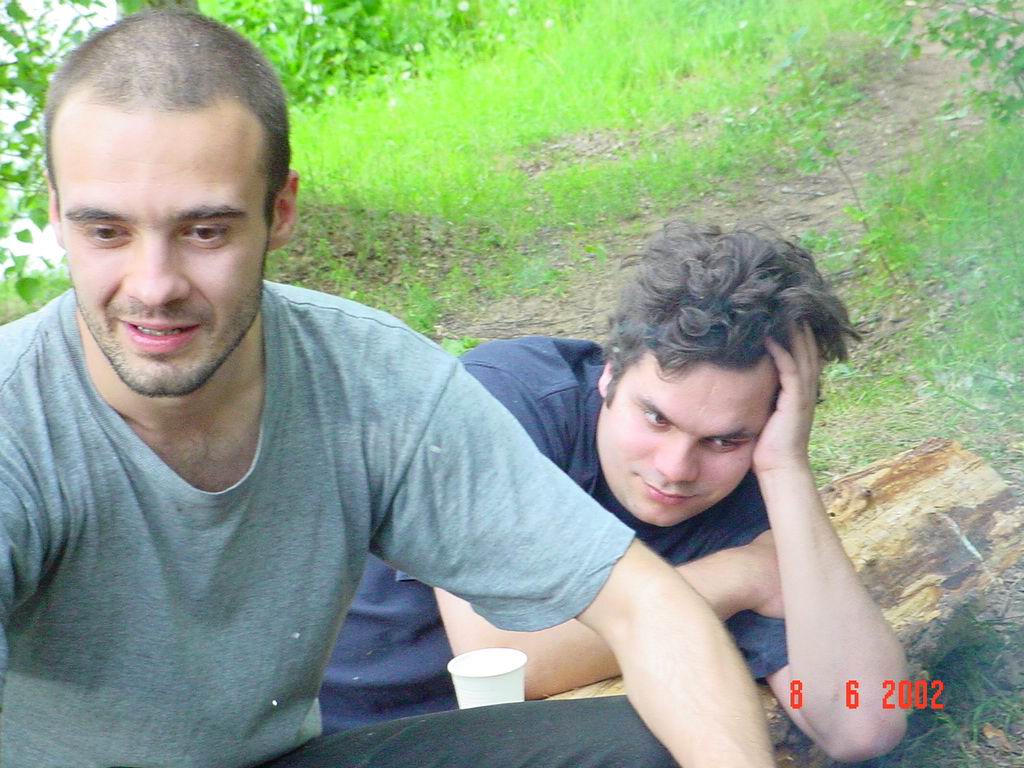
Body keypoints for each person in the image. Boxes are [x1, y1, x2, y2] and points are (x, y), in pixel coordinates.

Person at [0, 9, 792, 768]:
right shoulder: (15, 419)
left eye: (205, 231)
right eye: (106, 231)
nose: (154, 284)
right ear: (57, 213)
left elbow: (647, 609)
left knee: (652, 749)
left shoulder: (371, 380)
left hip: (289, 758)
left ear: (281, 211)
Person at [323, 223, 910, 761]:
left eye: (724, 440)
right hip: (332, 731)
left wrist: (787, 472)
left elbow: (862, 722)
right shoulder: (510, 401)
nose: (676, 469)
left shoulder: (753, 495)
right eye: (656, 418)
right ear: (611, 371)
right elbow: (503, 655)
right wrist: (742, 578)